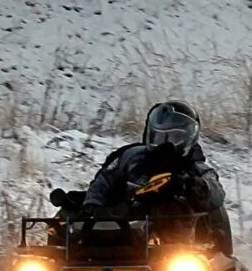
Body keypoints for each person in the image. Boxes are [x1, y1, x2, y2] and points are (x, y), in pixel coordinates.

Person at [82, 100, 233, 255]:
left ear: (189, 138)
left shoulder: (198, 170)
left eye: (173, 137)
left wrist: (190, 185)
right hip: (121, 236)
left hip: (178, 252)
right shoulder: (128, 158)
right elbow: (102, 182)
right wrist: (93, 206)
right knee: (72, 213)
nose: (163, 144)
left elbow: (216, 194)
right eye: (158, 137)